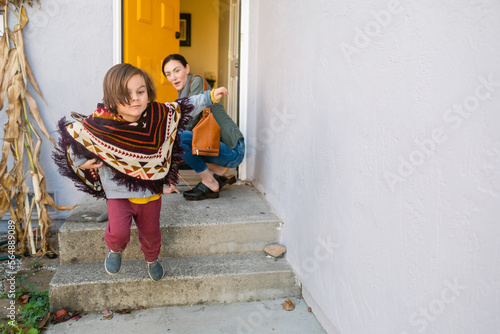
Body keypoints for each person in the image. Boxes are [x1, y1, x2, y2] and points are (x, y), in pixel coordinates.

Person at [53, 63, 228, 281]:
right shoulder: (102, 122)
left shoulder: (157, 115)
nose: (136, 98)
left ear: (148, 92)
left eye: (141, 91)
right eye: (126, 94)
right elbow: (77, 139)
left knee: (152, 235)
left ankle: (152, 259)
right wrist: (81, 163)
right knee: (118, 233)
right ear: (112, 97)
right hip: (119, 193)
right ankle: (114, 250)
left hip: (151, 191)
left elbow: (184, 106)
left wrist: (210, 96)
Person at [162, 54, 245, 200]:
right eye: (168, 74)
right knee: (173, 152)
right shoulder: (182, 93)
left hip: (233, 150)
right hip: (215, 150)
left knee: (176, 140)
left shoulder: (197, 81)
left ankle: (210, 182)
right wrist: (172, 178)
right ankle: (218, 170)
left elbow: (188, 121)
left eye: (176, 71)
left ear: (187, 68)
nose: (173, 77)